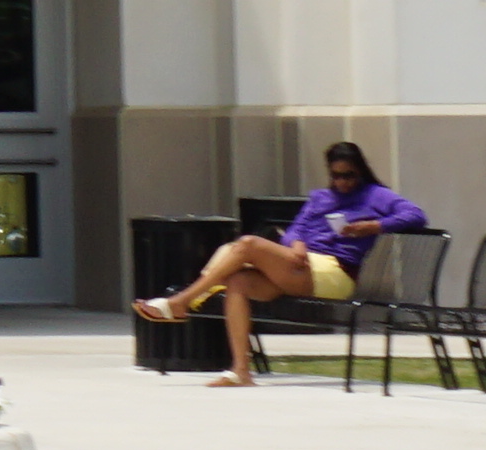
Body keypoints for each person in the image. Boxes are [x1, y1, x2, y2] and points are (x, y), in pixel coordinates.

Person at [134, 144, 434, 386]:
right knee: (237, 280)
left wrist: (373, 226)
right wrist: (297, 244)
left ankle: (182, 301)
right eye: (336, 176)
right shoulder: (320, 198)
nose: (342, 183)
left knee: (247, 245)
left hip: (335, 271)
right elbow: (295, 230)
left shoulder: (376, 195)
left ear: (361, 172)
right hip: (299, 265)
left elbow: (416, 215)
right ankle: (240, 370)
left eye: (349, 175)